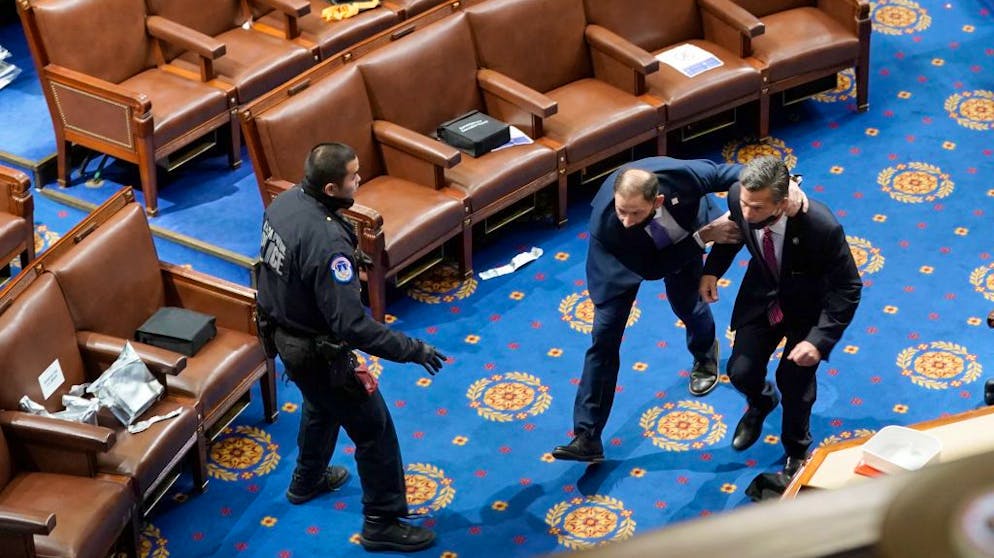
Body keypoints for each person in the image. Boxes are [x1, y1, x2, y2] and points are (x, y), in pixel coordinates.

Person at [256, 142, 447, 552]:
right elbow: (353, 326)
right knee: (374, 429)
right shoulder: (328, 244)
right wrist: (413, 350)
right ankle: (382, 522)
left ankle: (307, 480)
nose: (359, 180)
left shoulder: (284, 202)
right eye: (353, 176)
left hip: (284, 336)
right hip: (317, 351)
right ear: (330, 188)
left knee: (321, 404)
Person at [552, 156, 807, 462]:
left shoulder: (679, 176)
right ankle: (587, 436)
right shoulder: (610, 223)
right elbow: (651, 268)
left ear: (657, 200)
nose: (627, 220)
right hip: (621, 266)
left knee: (688, 305)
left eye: (635, 212)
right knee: (603, 341)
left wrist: (784, 185)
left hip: (680, 236)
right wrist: (704, 237)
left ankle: (704, 354)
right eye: (622, 210)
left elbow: (730, 173)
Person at [699, 156, 862, 478]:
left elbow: (848, 287)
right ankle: (762, 402)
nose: (747, 213)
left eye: (757, 208)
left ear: (782, 203)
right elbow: (734, 234)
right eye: (744, 204)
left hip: (808, 311)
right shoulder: (741, 196)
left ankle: (797, 450)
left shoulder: (821, 227)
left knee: (794, 383)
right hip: (762, 298)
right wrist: (712, 271)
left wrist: (818, 340)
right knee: (741, 371)